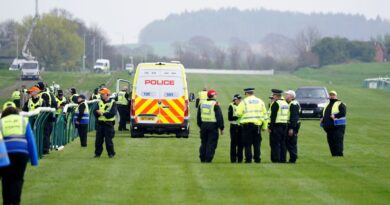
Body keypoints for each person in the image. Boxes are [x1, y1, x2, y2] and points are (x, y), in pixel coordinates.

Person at [0, 103, 38, 205]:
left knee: (6, 180)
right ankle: (16, 202)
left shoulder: (1, 122)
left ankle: (7, 202)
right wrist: (34, 160)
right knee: (18, 179)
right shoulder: (24, 121)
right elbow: (30, 141)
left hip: (5, 154)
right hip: (22, 153)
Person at [236, 88, 267, 163]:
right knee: (257, 143)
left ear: (246, 93)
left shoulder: (244, 101)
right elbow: (265, 115)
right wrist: (264, 126)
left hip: (247, 126)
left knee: (247, 143)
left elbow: (238, 113)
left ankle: (248, 159)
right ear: (253, 93)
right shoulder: (260, 101)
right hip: (257, 126)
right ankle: (257, 159)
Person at [197, 89, 224, 163]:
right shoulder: (215, 104)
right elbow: (219, 117)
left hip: (203, 125)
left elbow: (198, 117)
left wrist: (201, 125)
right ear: (213, 95)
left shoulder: (202, 104)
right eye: (215, 95)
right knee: (211, 143)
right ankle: (208, 159)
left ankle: (202, 158)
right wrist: (221, 127)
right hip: (213, 126)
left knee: (204, 142)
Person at [321, 90, 347, 157]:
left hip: (338, 127)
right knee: (331, 142)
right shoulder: (327, 104)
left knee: (338, 141)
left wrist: (335, 116)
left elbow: (343, 113)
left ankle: (339, 155)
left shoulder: (340, 104)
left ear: (336, 96)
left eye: (333, 95)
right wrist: (322, 118)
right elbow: (324, 113)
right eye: (330, 95)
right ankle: (334, 155)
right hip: (329, 127)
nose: (332, 96)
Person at [93, 88, 117, 158]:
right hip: (100, 124)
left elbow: (112, 114)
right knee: (98, 141)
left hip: (108, 124)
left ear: (107, 94)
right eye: (101, 94)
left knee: (108, 141)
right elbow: (95, 111)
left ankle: (111, 154)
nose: (101, 95)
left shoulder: (113, 102)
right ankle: (97, 154)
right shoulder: (99, 102)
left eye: (103, 94)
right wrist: (99, 113)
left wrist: (102, 113)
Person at [268, 89, 289, 163]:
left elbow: (273, 117)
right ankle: (283, 159)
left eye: (273, 95)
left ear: (276, 96)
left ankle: (276, 159)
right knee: (283, 143)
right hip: (284, 125)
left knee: (275, 143)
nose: (273, 97)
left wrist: (270, 127)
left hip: (277, 126)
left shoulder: (276, 104)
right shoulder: (285, 103)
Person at [36, 82, 57, 155]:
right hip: (49, 116)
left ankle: (44, 149)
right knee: (46, 134)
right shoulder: (50, 94)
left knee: (45, 133)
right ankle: (45, 148)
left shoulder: (43, 95)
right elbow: (55, 105)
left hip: (44, 117)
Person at [284, 90, 301, 163]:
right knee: (291, 142)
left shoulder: (293, 104)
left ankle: (293, 159)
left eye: (287, 95)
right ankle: (293, 157)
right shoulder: (293, 103)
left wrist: (291, 128)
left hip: (292, 125)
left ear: (291, 96)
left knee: (291, 143)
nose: (285, 96)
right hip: (293, 125)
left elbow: (294, 117)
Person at [228, 94, 243, 163]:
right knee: (233, 144)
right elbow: (230, 118)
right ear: (235, 100)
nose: (240, 101)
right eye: (238, 99)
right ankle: (233, 160)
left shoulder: (242, 106)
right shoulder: (231, 106)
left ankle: (240, 159)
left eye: (240, 99)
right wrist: (239, 117)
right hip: (234, 127)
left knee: (241, 144)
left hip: (241, 127)